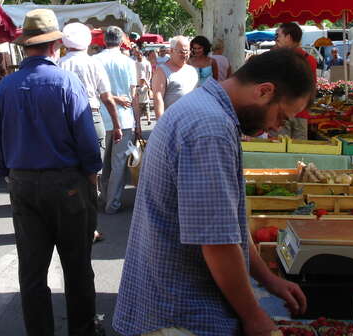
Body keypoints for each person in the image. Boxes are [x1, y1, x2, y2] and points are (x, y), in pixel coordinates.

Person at [113, 49, 313, 336]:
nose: (275, 128)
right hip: (181, 317)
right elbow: (217, 242)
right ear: (264, 91)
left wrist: (269, 280)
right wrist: (253, 316)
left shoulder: (206, 108)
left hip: (172, 307)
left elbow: (229, 226)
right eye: (281, 117)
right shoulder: (210, 129)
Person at [0, 9, 102, 336]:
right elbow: (86, 141)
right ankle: (82, 330)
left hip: (23, 182)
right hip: (66, 182)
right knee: (77, 266)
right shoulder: (66, 81)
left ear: (27, 46)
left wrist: (8, 174)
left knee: (32, 271)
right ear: (55, 45)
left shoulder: (7, 86)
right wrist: (91, 176)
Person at [58, 22, 123, 243]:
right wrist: (116, 124)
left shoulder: (59, 64)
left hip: (65, 121)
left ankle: (69, 224)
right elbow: (107, 98)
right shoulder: (93, 64)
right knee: (92, 175)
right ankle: (91, 227)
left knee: (68, 172)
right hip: (92, 117)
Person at [95, 26, 139, 215]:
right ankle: (112, 202)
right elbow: (133, 95)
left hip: (100, 118)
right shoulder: (128, 62)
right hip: (124, 117)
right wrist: (137, 121)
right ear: (121, 41)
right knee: (119, 163)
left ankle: (105, 197)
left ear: (104, 40)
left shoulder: (94, 60)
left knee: (104, 163)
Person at [274, 22, 317, 140]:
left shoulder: (277, 59)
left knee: (279, 151)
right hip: (301, 113)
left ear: (288, 38)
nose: (276, 39)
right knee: (299, 153)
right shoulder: (311, 60)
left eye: (278, 36)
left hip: (281, 113)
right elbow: (312, 89)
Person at [151, 35, 198, 119]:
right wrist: (161, 124)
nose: (185, 55)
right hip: (172, 122)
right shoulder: (161, 71)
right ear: (171, 51)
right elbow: (158, 98)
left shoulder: (192, 70)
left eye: (187, 52)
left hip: (191, 120)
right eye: (182, 52)